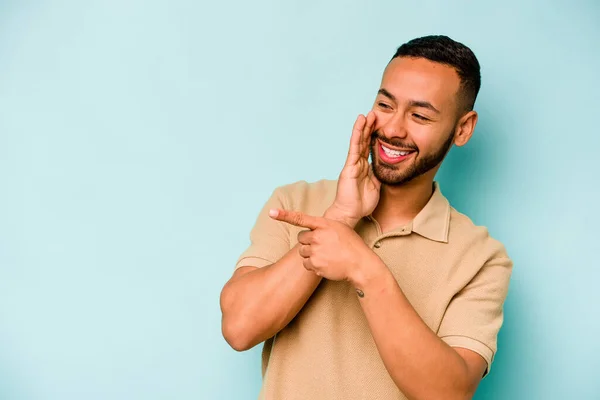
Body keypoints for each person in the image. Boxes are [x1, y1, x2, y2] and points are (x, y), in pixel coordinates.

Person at [220, 35, 513, 400]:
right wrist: (340, 217)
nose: (393, 129)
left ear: (463, 129)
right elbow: (239, 328)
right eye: (385, 104)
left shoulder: (481, 258)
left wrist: (363, 267)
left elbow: (448, 392)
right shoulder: (296, 201)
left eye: (420, 115)